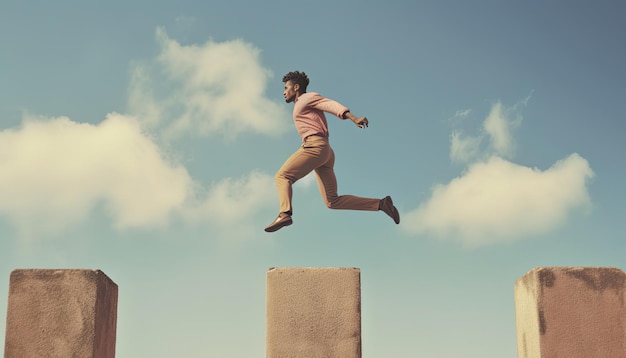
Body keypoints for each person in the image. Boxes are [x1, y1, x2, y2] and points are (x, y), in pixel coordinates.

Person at [264, 71, 400, 232]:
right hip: (325, 152)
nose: (284, 92)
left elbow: (329, 104)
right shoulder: (300, 104)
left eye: (286, 87)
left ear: (297, 87)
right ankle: (381, 204)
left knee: (282, 176)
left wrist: (352, 117)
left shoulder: (306, 98)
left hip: (315, 146)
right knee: (332, 201)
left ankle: (284, 213)